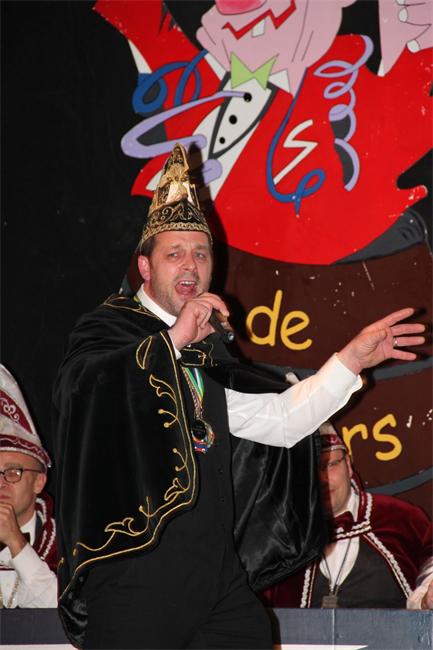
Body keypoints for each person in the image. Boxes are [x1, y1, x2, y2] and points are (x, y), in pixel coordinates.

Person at [52, 143, 426, 649]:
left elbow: (279, 420)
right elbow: (84, 393)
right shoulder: (108, 331)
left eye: (201, 253)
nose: (190, 264)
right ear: (145, 268)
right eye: (174, 253)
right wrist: (173, 340)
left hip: (217, 574)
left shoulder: (208, 351)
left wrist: (351, 361)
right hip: (135, 572)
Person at [262, 428, 433, 609]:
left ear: (348, 466)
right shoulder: (282, 538)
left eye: (330, 465)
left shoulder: (400, 518)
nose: (323, 479)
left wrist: (425, 598)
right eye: (310, 470)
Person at [0, 364, 57, 608]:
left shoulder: (67, 543)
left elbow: (70, 614)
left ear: (39, 482)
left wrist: (16, 542)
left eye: (13, 472)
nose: (1, 483)